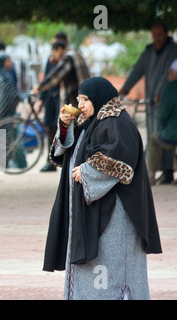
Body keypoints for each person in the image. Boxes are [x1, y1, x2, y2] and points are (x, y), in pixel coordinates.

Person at [43, 77, 162, 299]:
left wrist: (87, 171)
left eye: (85, 100)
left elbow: (120, 161)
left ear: (98, 98)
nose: (80, 105)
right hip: (95, 213)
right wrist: (64, 125)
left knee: (112, 276)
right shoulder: (94, 122)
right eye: (79, 100)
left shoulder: (117, 123)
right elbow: (67, 152)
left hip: (115, 218)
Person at [119, 22, 177, 184]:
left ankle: (167, 171)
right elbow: (137, 71)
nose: (157, 38)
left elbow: (170, 75)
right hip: (152, 102)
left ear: (167, 34)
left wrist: (161, 93)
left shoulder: (174, 51)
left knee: (162, 133)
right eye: (154, 35)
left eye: (160, 34)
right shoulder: (149, 52)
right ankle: (161, 171)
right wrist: (124, 89)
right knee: (155, 131)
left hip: (166, 101)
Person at [39, 32, 68, 172]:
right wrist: (41, 98)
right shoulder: (50, 61)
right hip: (50, 98)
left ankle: (62, 159)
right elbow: (47, 79)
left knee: (61, 128)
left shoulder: (68, 60)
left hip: (63, 99)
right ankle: (50, 159)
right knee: (49, 128)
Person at [146, 59, 177, 185]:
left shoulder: (171, 87)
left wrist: (164, 127)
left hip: (173, 133)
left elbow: (163, 115)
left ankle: (150, 175)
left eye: (170, 73)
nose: (168, 76)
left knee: (154, 139)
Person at [32, 41, 90, 107]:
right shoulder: (75, 54)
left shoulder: (68, 57)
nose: (54, 57)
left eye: (54, 54)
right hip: (85, 95)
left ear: (59, 49)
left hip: (78, 98)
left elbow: (55, 77)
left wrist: (39, 87)